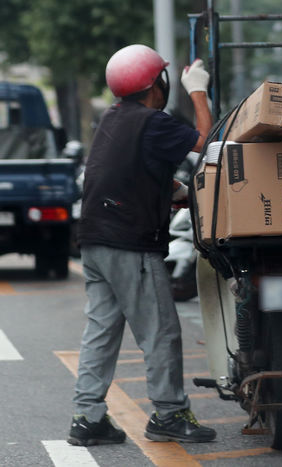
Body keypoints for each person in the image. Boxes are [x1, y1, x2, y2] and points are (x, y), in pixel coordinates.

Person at [67, 44, 215, 446]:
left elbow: (125, 170)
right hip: (128, 242)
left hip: (95, 240)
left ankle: (87, 417)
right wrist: (198, 90)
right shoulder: (153, 121)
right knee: (161, 331)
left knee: (101, 331)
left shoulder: (111, 119)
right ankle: (169, 413)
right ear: (157, 84)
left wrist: (172, 190)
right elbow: (205, 140)